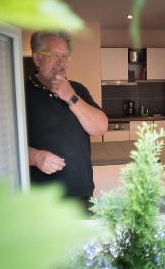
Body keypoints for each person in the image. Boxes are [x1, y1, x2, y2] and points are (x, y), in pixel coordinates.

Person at [26, 31, 108, 211]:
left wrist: (70, 96)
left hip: (82, 196)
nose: (61, 62)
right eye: (54, 55)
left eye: (65, 56)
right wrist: (34, 157)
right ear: (37, 58)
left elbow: (100, 128)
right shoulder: (20, 92)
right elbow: (4, 147)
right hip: (41, 201)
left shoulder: (78, 89)